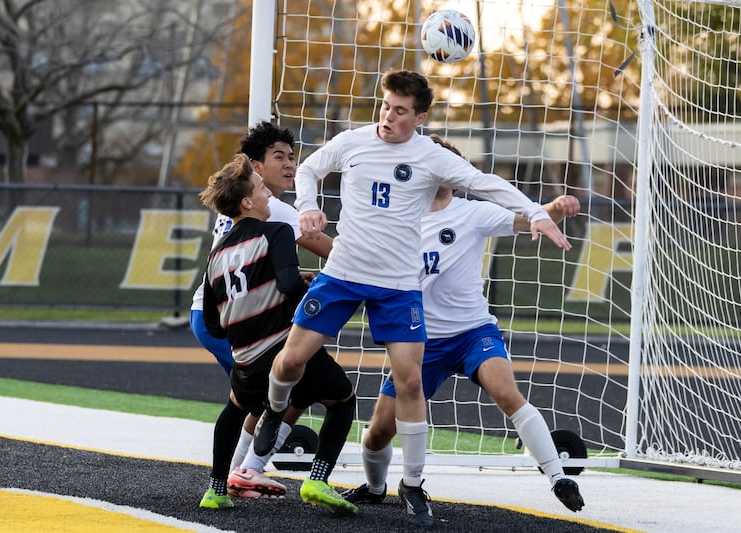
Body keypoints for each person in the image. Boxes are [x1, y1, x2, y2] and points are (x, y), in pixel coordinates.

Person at [254, 69, 573, 528]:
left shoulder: (431, 157)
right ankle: (272, 412)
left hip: (399, 288)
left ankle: (413, 483)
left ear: (419, 117)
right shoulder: (353, 141)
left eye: (400, 111)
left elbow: (486, 183)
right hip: (344, 273)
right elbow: (309, 168)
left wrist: (537, 213)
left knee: (409, 384)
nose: (388, 116)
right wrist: (307, 204)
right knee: (289, 363)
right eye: (385, 105)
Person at [340, 135, 585, 513]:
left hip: (473, 332)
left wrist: (555, 207)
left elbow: (527, 219)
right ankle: (375, 488)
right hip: (419, 340)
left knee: (508, 394)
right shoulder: (397, 217)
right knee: (377, 434)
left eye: (445, 163)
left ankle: (558, 477)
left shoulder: (474, 213)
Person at [197, 154, 357, 517]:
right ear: (246, 202)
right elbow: (286, 283)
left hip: (245, 360)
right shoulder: (276, 231)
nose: (269, 195)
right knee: (343, 400)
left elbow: (213, 323)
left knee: (235, 408)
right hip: (285, 351)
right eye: (261, 189)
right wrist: (314, 304)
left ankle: (216, 489)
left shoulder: (217, 255)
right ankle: (317, 479)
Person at [188, 122, 332, 483]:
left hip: (220, 310)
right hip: (233, 315)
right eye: (279, 156)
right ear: (255, 165)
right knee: (279, 389)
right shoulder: (275, 211)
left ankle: (239, 473)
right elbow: (331, 251)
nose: (290, 165)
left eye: (292, 157)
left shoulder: (242, 205)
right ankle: (244, 472)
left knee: (265, 395)